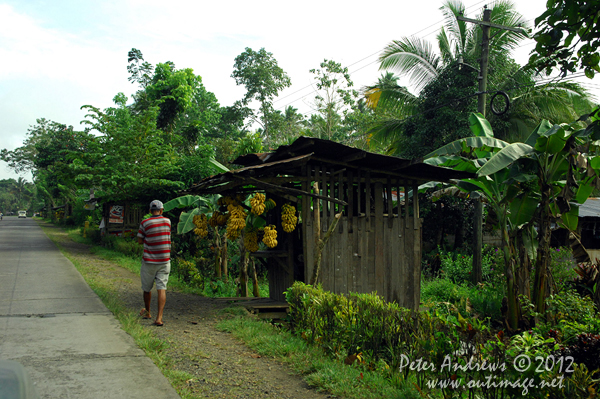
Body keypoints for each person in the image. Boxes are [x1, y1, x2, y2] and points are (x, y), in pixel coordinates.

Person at [137, 200, 171, 326]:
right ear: (162, 210)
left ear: (150, 211)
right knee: (161, 288)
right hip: (164, 260)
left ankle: (148, 312)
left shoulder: (145, 223)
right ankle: (159, 318)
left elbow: (140, 241)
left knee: (147, 288)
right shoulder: (168, 222)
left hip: (149, 261)